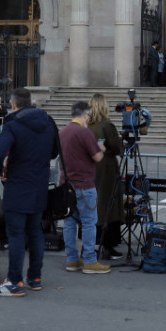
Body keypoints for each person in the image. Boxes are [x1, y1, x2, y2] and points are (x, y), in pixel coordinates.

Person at [0, 87, 59, 297]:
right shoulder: (48, 122)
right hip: (39, 184)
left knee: (16, 234)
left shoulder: (14, 124)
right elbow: (55, 151)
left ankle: (15, 281)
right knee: (35, 230)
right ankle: (34, 277)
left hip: (18, 184)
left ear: (14, 104)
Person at [59, 101, 109, 274]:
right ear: (85, 115)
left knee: (69, 222)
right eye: (88, 115)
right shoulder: (84, 132)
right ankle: (89, 260)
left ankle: (71, 260)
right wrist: (101, 148)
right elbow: (97, 157)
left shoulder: (63, 132)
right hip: (83, 184)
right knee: (89, 223)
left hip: (66, 185)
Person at [89, 93, 124, 260]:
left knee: (95, 204)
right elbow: (117, 147)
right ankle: (108, 244)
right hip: (106, 168)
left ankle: (93, 243)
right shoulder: (106, 125)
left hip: (91, 167)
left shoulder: (88, 125)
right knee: (108, 204)